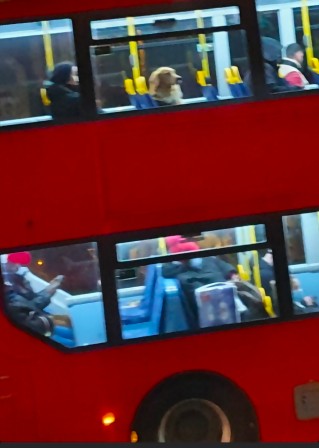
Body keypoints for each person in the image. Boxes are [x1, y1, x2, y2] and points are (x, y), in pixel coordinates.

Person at [3, 252, 71, 337]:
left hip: (35, 316)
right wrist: (49, 290)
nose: (18, 266)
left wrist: (50, 288)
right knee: (68, 333)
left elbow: (31, 300)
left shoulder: (19, 279)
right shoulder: (8, 286)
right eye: (14, 263)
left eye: (19, 263)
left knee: (69, 320)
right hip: (31, 322)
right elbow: (27, 307)